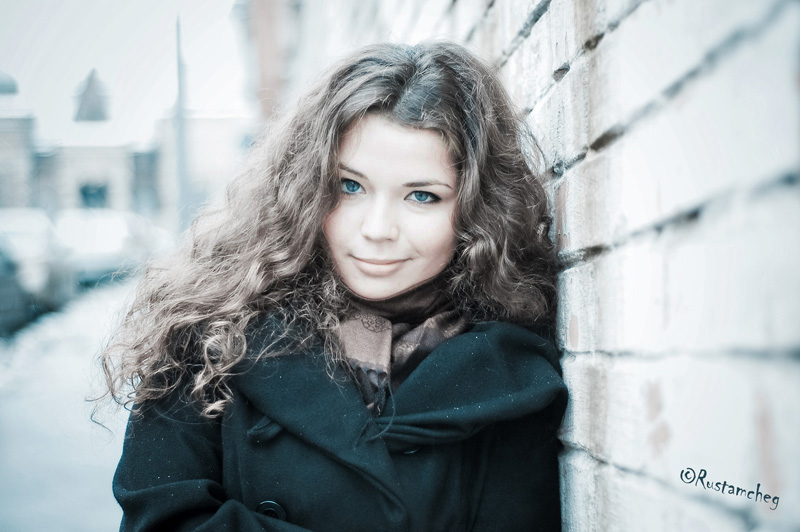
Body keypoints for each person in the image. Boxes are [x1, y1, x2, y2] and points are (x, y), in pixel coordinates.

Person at [101, 40, 569, 532]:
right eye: (350, 187)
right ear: (305, 184)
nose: (378, 228)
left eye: (423, 196)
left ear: (476, 210)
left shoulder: (510, 374)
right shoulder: (209, 330)